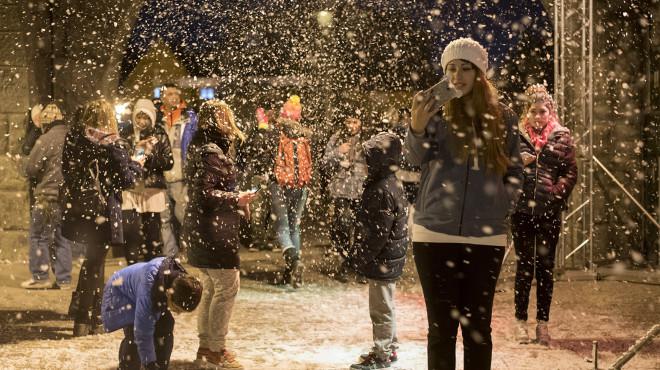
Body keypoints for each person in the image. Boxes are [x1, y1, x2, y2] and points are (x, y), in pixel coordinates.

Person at [405, 37, 523, 370]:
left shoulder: (504, 117)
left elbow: (515, 170)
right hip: (434, 233)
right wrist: (416, 126)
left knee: (477, 331)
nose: (457, 76)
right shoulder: (436, 113)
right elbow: (414, 158)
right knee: (441, 331)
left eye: (466, 69)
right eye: (451, 69)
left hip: (485, 236)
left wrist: (501, 206)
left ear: (480, 74)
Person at [183, 100, 256, 369]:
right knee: (226, 288)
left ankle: (207, 345)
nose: (232, 122)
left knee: (213, 288)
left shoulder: (204, 148)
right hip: (213, 231)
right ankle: (217, 349)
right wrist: (236, 198)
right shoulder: (211, 152)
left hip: (206, 228)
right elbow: (206, 193)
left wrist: (237, 201)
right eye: (227, 117)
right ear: (219, 120)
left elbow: (206, 191)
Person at [62, 99, 143, 336]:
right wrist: (137, 162)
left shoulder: (74, 140)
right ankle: (84, 319)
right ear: (107, 119)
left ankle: (93, 316)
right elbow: (126, 180)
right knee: (94, 263)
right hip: (103, 212)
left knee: (93, 261)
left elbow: (68, 172)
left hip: (81, 210)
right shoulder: (111, 144)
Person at [512, 84, 577, 345]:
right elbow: (503, 168)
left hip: (549, 212)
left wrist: (555, 194)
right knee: (524, 267)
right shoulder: (515, 136)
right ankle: (520, 322)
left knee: (546, 269)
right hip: (521, 211)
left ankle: (542, 324)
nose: (538, 117)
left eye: (543, 111)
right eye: (533, 112)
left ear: (551, 112)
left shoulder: (561, 137)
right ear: (525, 113)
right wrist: (519, 164)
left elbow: (570, 172)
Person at [347, 132, 409, 370]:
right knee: (387, 304)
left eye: (367, 160)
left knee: (381, 308)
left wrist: (360, 257)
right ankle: (390, 347)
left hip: (383, 258)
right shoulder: (391, 182)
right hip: (390, 257)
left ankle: (382, 353)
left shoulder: (380, 189)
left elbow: (377, 233)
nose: (363, 165)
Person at [101, 256, 203, 370]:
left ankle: (161, 366)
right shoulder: (149, 291)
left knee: (166, 326)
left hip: (145, 290)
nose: (178, 313)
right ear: (169, 294)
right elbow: (142, 333)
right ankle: (127, 367)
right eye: (177, 309)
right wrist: (149, 363)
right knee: (134, 335)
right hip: (119, 292)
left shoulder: (181, 282)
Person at [20, 103, 73, 290]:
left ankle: (40, 276)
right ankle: (64, 278)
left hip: (47, 195)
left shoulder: (46, 139)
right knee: (62, 237)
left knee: (38, 236)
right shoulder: (70, 137)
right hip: (65, 197)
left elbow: (30, 168)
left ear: (44, 122)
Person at [119, 98, 174, 264]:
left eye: (146, 117)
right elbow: (121, 159)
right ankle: (133, 267)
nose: (142, 122)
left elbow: (168, 162)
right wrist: (136, 152)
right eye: (139, 117)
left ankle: (152, 269)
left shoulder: (159, 133)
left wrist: (150, 156)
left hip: (151, 190)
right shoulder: (126, 132)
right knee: (131, 233)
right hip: (131, 189)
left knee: (152, 233)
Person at [321, 105, 368, 282]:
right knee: (342, 225)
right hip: (340, 189)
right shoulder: (337, 138)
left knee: (361, 229)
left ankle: (356, 264)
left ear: (361, 123)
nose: (351, 125)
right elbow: (325, 162)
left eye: (355, 121)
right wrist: (337, 153)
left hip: (361, 189)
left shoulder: (367, 140)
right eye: (348, 121)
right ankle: (345, 261)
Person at [270, 95, 313, 288]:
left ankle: (294, 260)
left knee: (282, 226)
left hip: (280, 183)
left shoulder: (277, 133)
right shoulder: (304, 135)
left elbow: (265, 156)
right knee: (295, 226)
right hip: (301, 185)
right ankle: (293, 272)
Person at [158, 83, 198, 257]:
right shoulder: (158, 120)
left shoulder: (188, 118)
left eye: (176, 93)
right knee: (164, 219)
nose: (173, 96)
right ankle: (170, 255)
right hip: (162, 176)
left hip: (181, 175)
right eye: (169, 93)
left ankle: (191, 250)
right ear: (162, 97)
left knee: (183, 215)